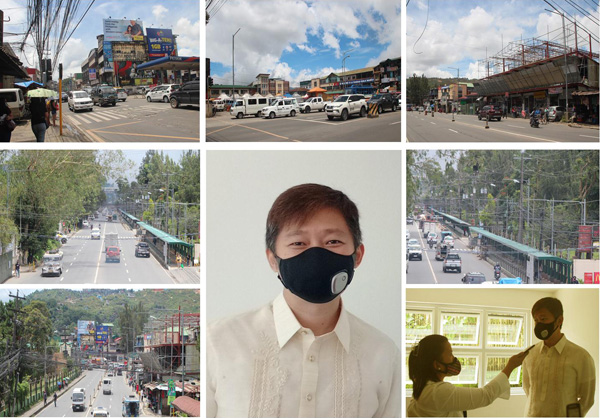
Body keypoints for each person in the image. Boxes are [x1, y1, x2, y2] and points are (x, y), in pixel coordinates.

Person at [207, 184, 401, 418]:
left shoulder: (382, 353)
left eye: (333, 242)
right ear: (273, 260)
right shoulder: (218, 342)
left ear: (357, 255)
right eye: (298, 243)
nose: (316, 256)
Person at [407, 334, 529, 417]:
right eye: (450, 353)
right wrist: (510, 366)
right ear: (437, 365)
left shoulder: (423, 388)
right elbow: (486, 395)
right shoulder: (437, 392)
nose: (454, 358)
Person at [522, 297, 596, 417]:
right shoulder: (529, 354)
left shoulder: (582, 357)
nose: (539, 324)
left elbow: (587, 399)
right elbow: (528, 389)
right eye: (536, 320)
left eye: (543, 319)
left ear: (559, 320)